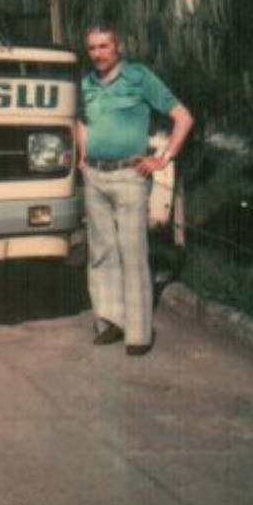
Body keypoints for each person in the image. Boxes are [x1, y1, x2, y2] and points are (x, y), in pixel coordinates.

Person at [76, 23, 194, 355]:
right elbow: (81, 121)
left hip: (130, 175)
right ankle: (110, 320)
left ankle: (139, 334)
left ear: (119, 47)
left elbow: (183, 117)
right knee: (100, 253)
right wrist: (82, 156)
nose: (98, 53)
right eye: (92, 48)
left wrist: (163, 158)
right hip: (96, 177)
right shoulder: (86, 84)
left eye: (104, 46)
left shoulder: (139, 78)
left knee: (133, 252)